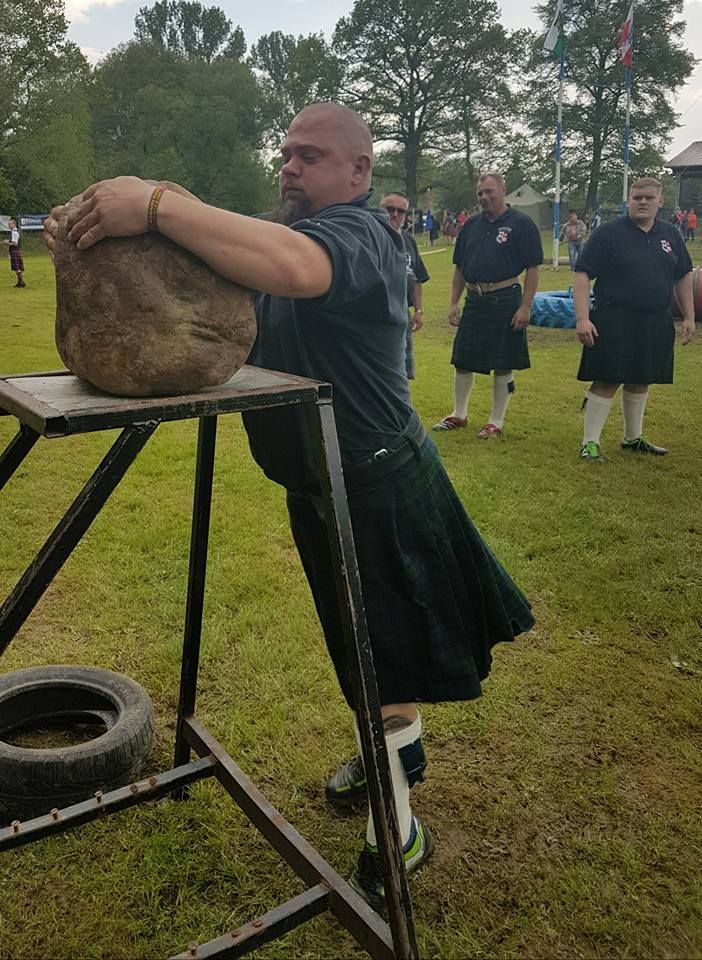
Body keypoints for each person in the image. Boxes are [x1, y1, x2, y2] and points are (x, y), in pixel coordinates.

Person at [44, 103, 534, 912]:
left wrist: (158, 202)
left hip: (378, 482)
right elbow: (226, 274)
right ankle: (394, 759)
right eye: (286, 154)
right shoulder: (271, 241)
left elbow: (299, 268)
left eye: (309, 156)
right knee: (360, 651)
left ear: (358, 173)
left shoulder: (365, 238)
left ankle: (398, 831)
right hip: (322, 485)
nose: (289, 167)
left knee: (383, 664)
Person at [574, 177, 695, 462]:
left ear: (660, 201)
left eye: (648, 198)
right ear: (629, 199)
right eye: (637, 197)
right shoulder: (608, 233)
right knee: (607, 378)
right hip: (613, 316)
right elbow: (582, 273)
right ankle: (590, 443)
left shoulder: (671, 235)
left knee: (642, 378)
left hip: (655, 318)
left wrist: (689, 316)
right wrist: (582, 318)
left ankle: (632, 438)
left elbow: (683, 275)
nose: (642, 202)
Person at [433, 173, 543, 439]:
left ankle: (495, 421)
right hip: (475, 299)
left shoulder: (521, 223)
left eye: (489, 191)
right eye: (480, 193)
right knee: (462, 358)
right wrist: (453, 303)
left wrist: (525, 307)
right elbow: (459, 267)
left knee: (503, 363)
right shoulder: (470, 225)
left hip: (506, 299)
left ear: (502, 190)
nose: (484, 197)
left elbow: (532, 268)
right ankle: (459, 414)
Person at [380, 192, 430, 379]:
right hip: (378, 313)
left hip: (402, 312)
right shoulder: (371, 237)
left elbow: (417, 277)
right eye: (389, 209)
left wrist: (418, 310)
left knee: (401, 371)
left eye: (400, 211)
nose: (394, 214)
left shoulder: (408, 240)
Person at [5, 218, 25, 287]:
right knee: (18, 267)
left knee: (17, 268)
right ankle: (20, 282)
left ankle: (21, 283)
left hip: (14, 250)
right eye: (8, 224)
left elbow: (15, 243)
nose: (9, 225)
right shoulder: (14, 232)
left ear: (14, 224)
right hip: (16, 251)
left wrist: (7, 242)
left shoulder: (14, 232)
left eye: (10, 224)